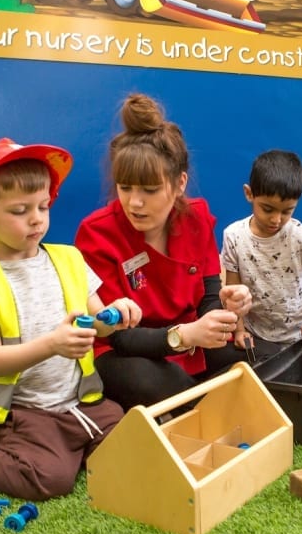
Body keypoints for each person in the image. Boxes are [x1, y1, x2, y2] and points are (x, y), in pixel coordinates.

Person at [0, 138, 142, 501]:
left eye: (43, 206)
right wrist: (52, 344)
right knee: (49, 480)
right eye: (20, 210)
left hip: (83, 402)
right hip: (24, 413)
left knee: (136, 448)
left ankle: (69, 448)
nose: (37, 219)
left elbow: (98, 321)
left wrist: (117, 315)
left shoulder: (69, 258)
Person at [75, 93, 252, 411]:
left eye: (150, 190)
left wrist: (226, 308)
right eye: (125, 187)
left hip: (189, 343)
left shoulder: (197, 218)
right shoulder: (96, 233)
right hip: (125, 352)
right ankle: (209, 411)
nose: (134, 202)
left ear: (180, 183)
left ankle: (199, 407)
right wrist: (184, 336)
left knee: (250, 357)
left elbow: (208, 298)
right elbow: (118, 337)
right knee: (148, 380)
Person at [221, 149, 302, 350]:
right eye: (267, 209)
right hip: (256, 334)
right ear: (249, 193)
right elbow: (234, 290)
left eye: (287, 211)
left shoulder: (299, 236)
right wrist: (239, 330)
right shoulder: (233, 236)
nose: (276, 219)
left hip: (301, 334)